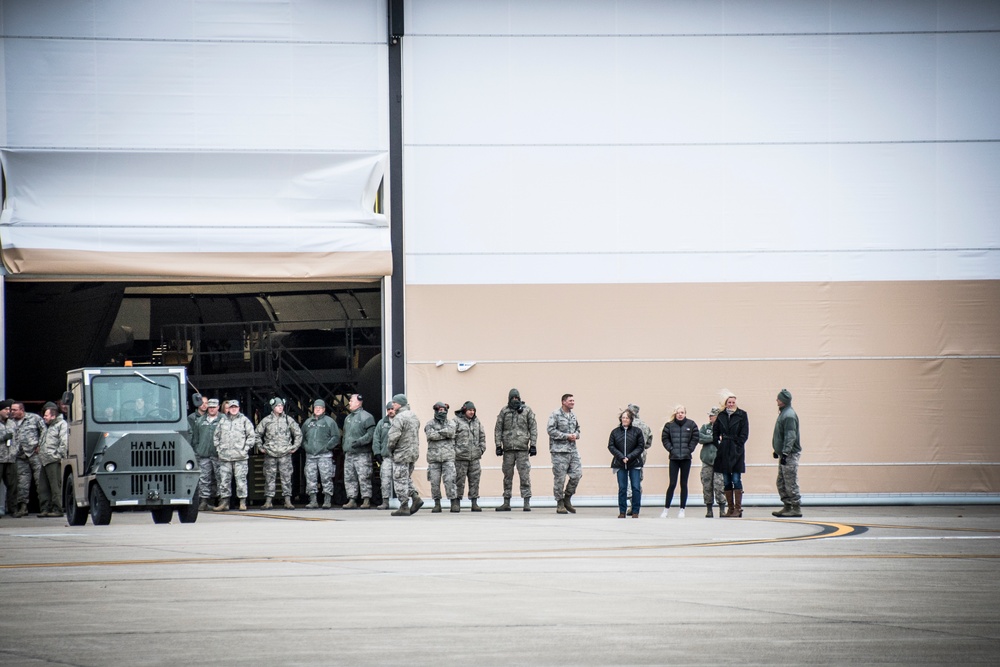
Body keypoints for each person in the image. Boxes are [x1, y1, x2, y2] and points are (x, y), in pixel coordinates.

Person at [494, 388, 537, 511]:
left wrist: (533, 445)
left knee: (524, 475)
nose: (515, 400)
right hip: (508, 450)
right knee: (507, 476)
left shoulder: (527, 410)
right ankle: (506, 502)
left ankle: (526, 502)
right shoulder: (504, 411)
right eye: (513, 398)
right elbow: (498, 429)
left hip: (522, 449)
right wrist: (498, 445)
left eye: (517, 398)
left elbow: (533, 428)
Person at [256, 397, 302, 510]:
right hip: (270, 454)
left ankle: (287, 500)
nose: (280, 407)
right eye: (278, 406)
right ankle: (268, 501)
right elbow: (257, 434)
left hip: (285, 454)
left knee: (286, 478)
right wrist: (261, 447)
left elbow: (298, 434)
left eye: (281, 405)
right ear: (273, 407)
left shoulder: (288, 420)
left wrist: (294, 447)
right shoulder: (266, 420)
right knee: (269, 478)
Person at [212, 399, 255, 512]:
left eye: (235, 407)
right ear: (228, 409)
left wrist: (245, 450)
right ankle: (224, 502)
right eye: (232, 407)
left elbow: (251, 436)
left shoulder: (244, 420)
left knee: (241, 481)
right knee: (224, 481)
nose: (234, 409)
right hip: (225, 457)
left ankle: (242, 502)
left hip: (240, 457)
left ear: (239, 408)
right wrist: (219, 449)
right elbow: (216, 436)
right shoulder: (222, 421)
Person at [712, 390, 750, 518]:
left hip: (736, 451)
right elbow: (715, 433)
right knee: (726, 480)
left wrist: (738, 445)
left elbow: (744, 434)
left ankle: (738, 509)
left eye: (733, 402)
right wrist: (720, 445)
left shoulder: (742, 415)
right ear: (726, 403)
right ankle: (730, 508)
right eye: (729, 402)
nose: (731, 404)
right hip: (724, 451)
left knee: (736, 479)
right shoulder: (721, 416)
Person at [660, 405, 700, 518]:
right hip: (674, 458)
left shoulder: (691, 424)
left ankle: (682, 509)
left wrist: (689, 449)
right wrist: (671, 449)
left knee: (684, 484)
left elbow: (695, 437)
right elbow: (665, 438)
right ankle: (666, 509)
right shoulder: (669, 425)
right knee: (672, 483)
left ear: (685, 413)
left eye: (682, 412)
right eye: (678, 412)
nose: (680, 414)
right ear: (675, 414)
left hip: (686, 458)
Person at [386, 394, 423, 516]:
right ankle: (415, 496)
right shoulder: (413, 416)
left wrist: (390, 448)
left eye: (394, 403)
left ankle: (404, 506)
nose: (393, 405)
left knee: (399, 479)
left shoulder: (399, 417)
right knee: (406, 478)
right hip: (413, 452)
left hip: (401, 453)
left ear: (399, 404)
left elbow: (393, 436)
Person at [301, 399, 340, 509]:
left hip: (325, 456)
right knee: (310, 478)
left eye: (320, 408)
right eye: (316, 408)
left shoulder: (330, 422)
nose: (317, 409)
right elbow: (301, 437)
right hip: (310, 456)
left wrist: (327, 447)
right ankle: (313, 500)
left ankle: (327, 500)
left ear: (324, 409)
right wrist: (306, 447)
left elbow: (336, 437)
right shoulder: (308, 422)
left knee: (326, 478)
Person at [548, 393, 582, 515]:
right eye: (570, 400)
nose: (572, 402)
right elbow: (550, 430)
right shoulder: (555, 414)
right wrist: (566, 436)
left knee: (577, 474)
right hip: (559, 452)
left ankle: (567, 497)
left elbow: (578, 429)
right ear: (563, 402)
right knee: (560, 479)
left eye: (573, 400)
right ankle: (560, 502)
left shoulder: (573, 415)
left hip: (572, 451)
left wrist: (576, 435)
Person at [10, 402, 45, 518]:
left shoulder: (34, 418)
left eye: (15, 410)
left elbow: (44, 431)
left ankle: (44, 507)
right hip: (20, 456)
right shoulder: (10, 422)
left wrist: (40, 445)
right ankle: (23, 507)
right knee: (22, 482)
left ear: (21, 410)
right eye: (11, 410)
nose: (12, 412)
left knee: (40, 480)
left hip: (34, 453)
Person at [341, 393, 376, 509]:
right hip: (349, 453)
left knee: (364, 476)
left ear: (358, 402)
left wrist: (359, 442)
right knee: (349, 477)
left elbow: (371, 434)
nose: (349, 403)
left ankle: (366, 499)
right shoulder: (348, 418)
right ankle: (352, 499)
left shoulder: (367, 417)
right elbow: (345, 435)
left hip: (362, 454)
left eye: (351, 401)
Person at [608, 409, 645, 518]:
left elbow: (640, 446)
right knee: (622, 488)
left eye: (627, 418)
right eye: (623, 417)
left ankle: (635, 511)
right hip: (619, 463)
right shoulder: (615, 432)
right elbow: (611, 446)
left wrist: (629, 457)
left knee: (636, 487)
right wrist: (621, 457)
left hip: (634, 463)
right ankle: (622, 511)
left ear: (631, 420)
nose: (625, 419)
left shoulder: (637, 431)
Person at [772, 388, 802, 517]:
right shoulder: (784, 413)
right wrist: (777, 451)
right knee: (781, 481)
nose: (776, 400)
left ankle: (795, 507)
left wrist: (785, 453)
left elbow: (790, 436)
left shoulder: (789, 415)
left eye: (778, 399)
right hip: (784, 454)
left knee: (790, 481)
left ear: (783, 401)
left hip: (789, 455)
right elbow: (781, 435)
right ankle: (787, 506)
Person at [424, 401, 458, 513]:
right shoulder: (429, 424)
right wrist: (444, 434)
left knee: (450, 480)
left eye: (444, 410)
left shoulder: (452, 423)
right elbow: (430, 435)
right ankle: (437, 504)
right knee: (434, 482)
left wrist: (438, 432)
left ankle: (453, 503)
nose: (442, 412)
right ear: (436, 410)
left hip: (448, 457)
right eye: (440, 410)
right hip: (434, 458)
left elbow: (451, 433)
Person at [190, 398, 222, 511]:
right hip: (204, 455)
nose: (212, 409)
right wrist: (198, 449)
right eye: (210, 407)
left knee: (220, 478)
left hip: (218, 455)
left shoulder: (223, 420)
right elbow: (195, 438)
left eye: (214, 407)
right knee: (204, 478)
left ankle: (221, 501)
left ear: (218, 407)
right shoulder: (200, 421)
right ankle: (204, 501)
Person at [453, 401, 486, 512]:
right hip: (460, 458)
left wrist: (481, 449)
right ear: (464, 410)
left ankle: (474, 502)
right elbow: (451, 438)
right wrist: (455, 451)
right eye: (470, 410)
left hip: (474, 458)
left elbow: (482, 436)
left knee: (475, 481)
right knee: (459, 481)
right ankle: (456, 502)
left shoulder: (477, 422)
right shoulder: (456, 421)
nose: (472, 412)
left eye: (473, 410)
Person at [37, 406, 69, 517]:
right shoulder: (48, 426)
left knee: (55, 486)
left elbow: (64, 442)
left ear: (53, 416)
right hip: (44, 460)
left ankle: (57, 509)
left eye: (46, 415)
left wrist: (57, 455)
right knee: (43, 487)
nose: (44, 417)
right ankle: (45, 508)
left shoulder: (61, 425)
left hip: (54, 460)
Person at [698, 407, 726, 518]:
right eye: (709, 415)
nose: (710, 417)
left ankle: (722, 508)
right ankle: (709, 509)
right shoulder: (705, 427)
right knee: (707, 485)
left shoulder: (723, 427)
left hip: (719, 461)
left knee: (719, 485)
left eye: (712, 415)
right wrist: (714, 438)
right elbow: (700, 438)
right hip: (706, 461)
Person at [627, 403, 653, 514]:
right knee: (637, 479)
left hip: (627, 455)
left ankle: (630, 504)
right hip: (641, 455)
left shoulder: (627, 424)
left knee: (627, 479)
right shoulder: (645, 425)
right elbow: (649, 442)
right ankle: (635, 505)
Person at [372, 401, 396, 510]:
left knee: (401, 480)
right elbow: (376, 439)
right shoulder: (382, 423)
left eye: (392, 409)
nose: (390, 411)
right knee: (385, 480)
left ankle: (403, 502)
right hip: (386, 457)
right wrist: (377, 453)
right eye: (388, 409)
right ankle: (385, 501)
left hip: (399, 457)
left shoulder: (400, 421)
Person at [0, 400, 18, 517]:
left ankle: (13, 509)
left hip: (10, 458)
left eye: (9, 409)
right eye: (5, 409)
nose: (8, 412)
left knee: (13, 485)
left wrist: (15, 451)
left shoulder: (12, 423)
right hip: (0, 458)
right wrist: (2, 438)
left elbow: (17, 439)